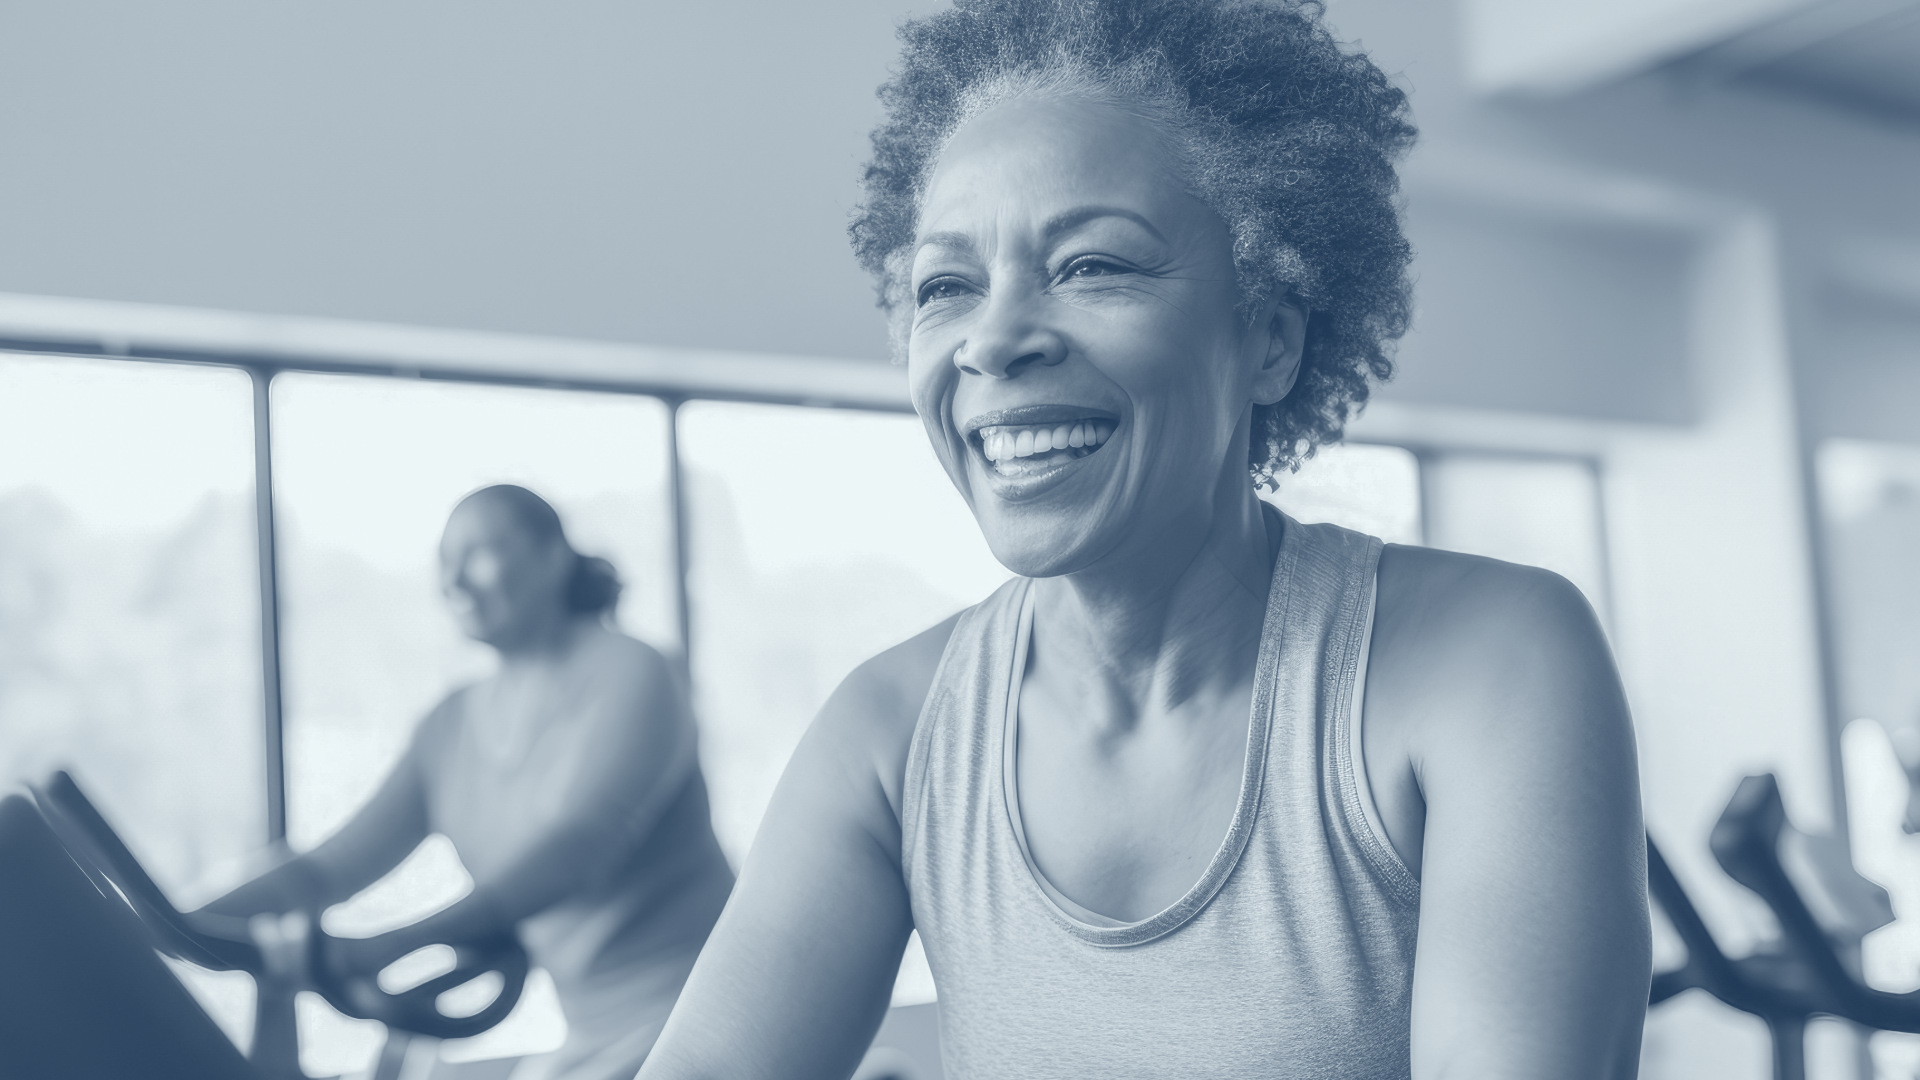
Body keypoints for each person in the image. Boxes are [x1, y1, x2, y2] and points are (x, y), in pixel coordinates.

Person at [640, 1, 1649, 1077]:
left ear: (1267, 339)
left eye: (1092, 266)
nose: (995, 339)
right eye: (947, 285)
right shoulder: (891, 736)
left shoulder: (1492, 660)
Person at [201, 485, 734, 1080]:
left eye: (479, 553)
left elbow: (577, 848)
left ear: (552, 555)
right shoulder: (450, 725)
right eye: (444, 561)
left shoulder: (636, 671)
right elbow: (329, 870)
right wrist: (176, 923)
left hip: (716, 1015)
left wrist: (387, 945)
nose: (454, 580)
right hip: (593, 1042)